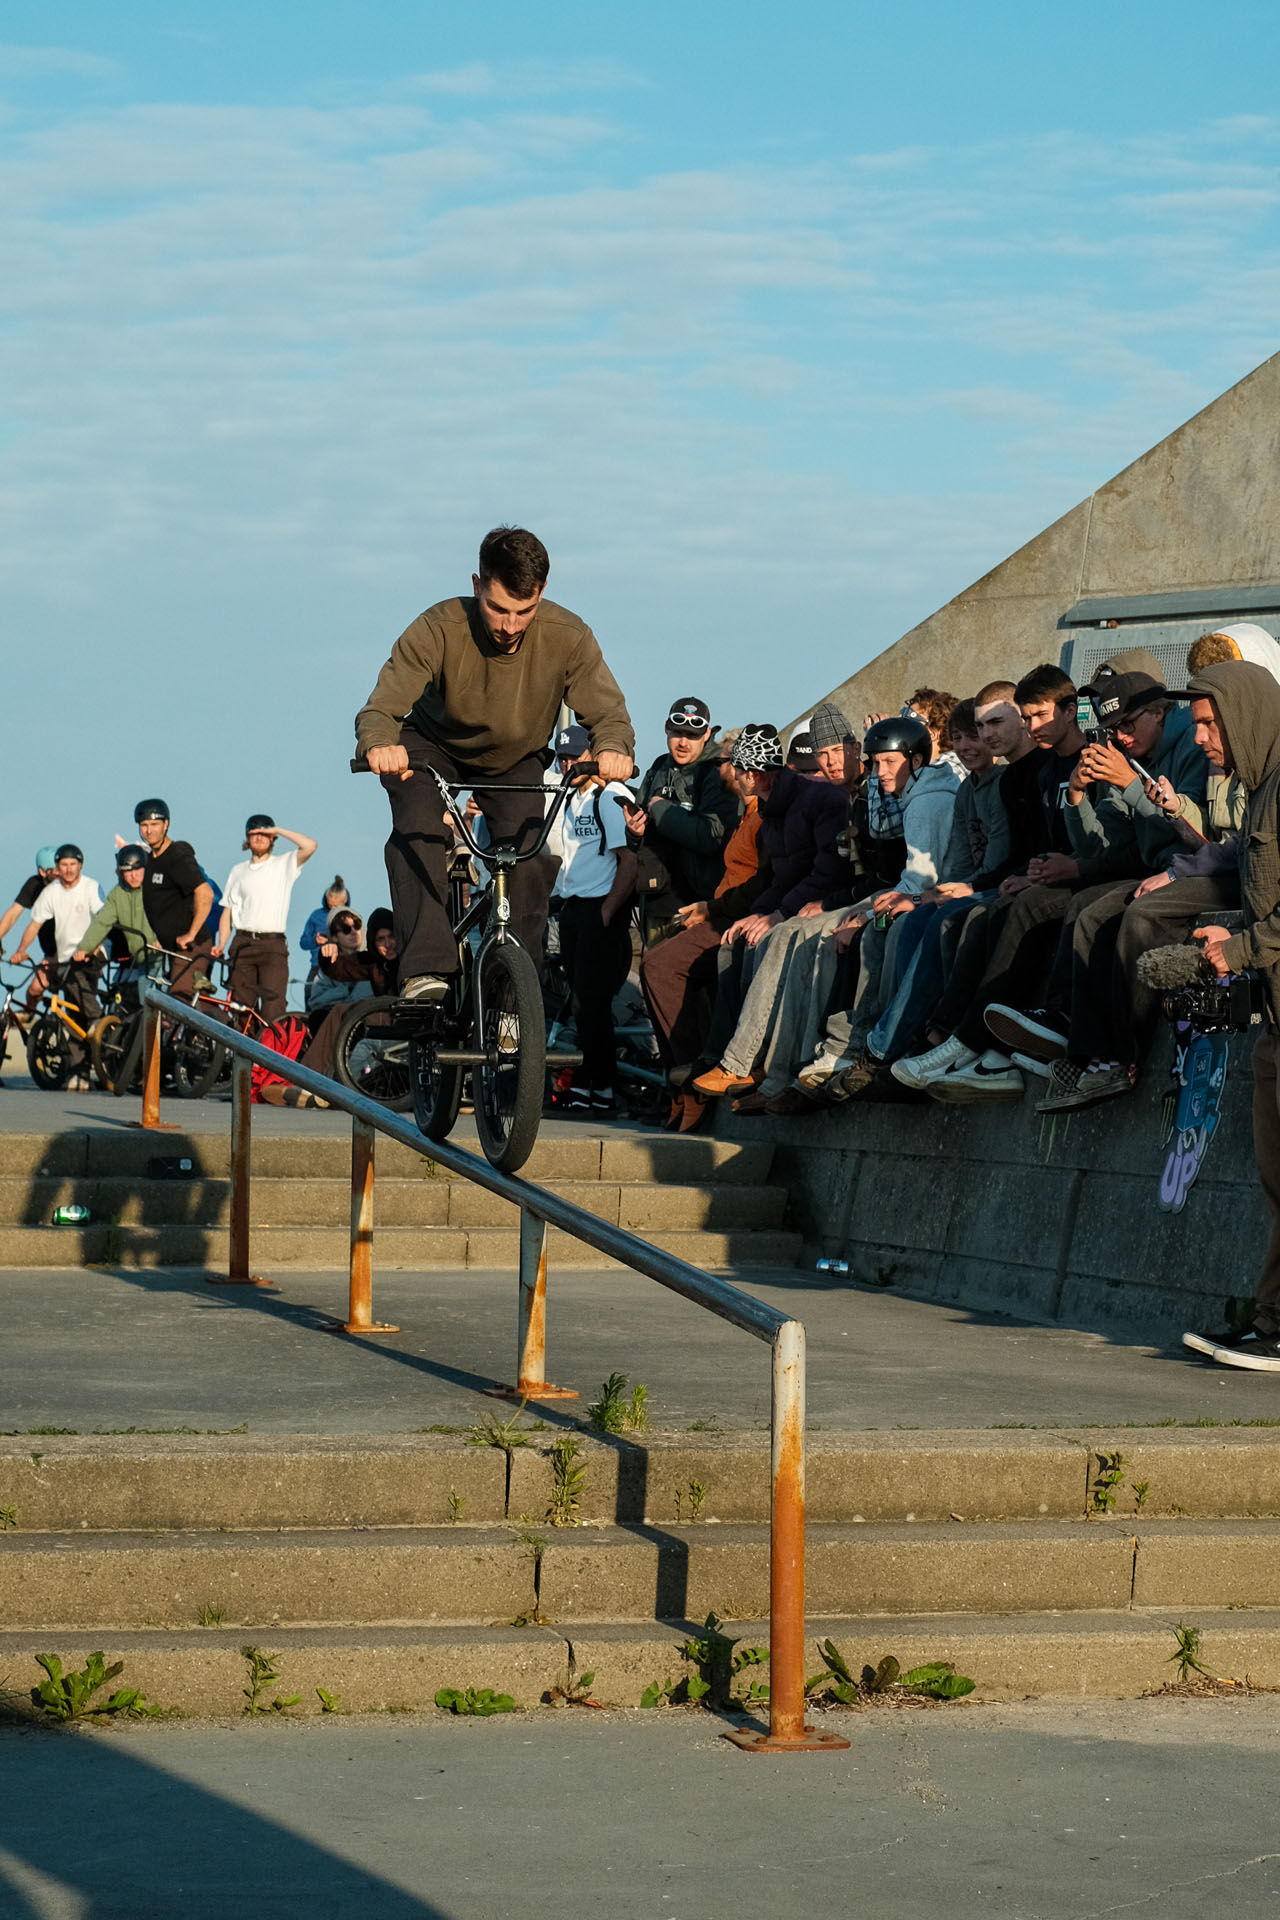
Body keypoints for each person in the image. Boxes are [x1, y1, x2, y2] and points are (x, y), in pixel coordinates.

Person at [355, 526, 634, 1002]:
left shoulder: (569, 637)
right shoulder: (438, 627)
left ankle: (513, 989)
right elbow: (381, 708)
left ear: (541, 595)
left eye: (524, 612)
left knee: (528, 856)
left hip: (514, 756)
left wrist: (614, 748)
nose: (509, 625)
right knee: (417, 829)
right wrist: (380, 743)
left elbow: (608, 713)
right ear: (477, 584)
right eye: (498, 608)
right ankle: (426, 972)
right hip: (431, 746)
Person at [1176, 662, 1280, 1371]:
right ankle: (1271, 1320)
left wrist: (1242, 945)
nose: (1203, 740)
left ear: (1243, 715)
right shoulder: (1260, 791)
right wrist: (1231, 932)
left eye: (1210, 724)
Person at [640, 741, 765, 1131]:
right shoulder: (744, 812)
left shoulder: (762, 814)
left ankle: (694, 1077)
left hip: (740, 918)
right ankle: (680, 1081)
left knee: (661, 966)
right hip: (720, 911)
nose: (720, 771)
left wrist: (712, 909)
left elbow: (761, 881)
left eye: (725, 763)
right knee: (656, 966)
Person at [547, 723, 638, 1116]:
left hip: (600, 910)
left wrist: (606, 910)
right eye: (563, 757)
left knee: (593, 1005)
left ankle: (602, 1088)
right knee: (581, 1004)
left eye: (575, 756)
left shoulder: (609, 795)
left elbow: (629, 860)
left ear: (591, 755)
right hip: (573, 909)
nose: (568, 763)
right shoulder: (569, 798)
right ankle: (588, 1084)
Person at [624, 696, 739, 946]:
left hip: (697, 902)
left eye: (693, 735)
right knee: (653, 973)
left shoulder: (717, 770)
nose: (684, 742)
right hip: (656, 901)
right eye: (678, 733)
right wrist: (634, 832)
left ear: (707, 734)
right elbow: (638, 840)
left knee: (682, 977)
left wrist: (661, 808)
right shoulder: (658, 768)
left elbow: (711, 837)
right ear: (666, 729)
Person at [12, 847, 104, 1081]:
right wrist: (21, 950)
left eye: (73, 864)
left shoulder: (91, 888)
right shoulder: (51, 892)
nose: (68, 870)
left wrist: (91, 947)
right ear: (56, 867)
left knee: (79, 996)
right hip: (65, 958)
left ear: (80, 866)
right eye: (63, 865)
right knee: (71, 1010)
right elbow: (34, 925)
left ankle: (98, 1023)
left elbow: (103, 921)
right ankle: (79, 1069)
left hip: (93, 954)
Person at [213, 816, 317, 1023]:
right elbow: (227, 912)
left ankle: (269, 1053)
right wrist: (222, 944)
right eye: (254, 833)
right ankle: (243, 1054)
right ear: (247, 838)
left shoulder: (283, 864)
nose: (259, 837)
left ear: (272, 838)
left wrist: (277, 829)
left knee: (273, 1009)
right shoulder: (238, 871)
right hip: (242, 943)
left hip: (273, 945)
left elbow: (310, 846)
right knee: (242, 1009)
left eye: (264, 834)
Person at [133, 799, 215, 1000]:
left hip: (191, 947)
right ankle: (223, 1026)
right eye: (144, 825)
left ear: (166, 824)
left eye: (154, 825)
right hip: (172, 949)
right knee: (197, 1005)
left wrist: (191, 934)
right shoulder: (150, 859)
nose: (149, 831)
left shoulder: (177, 854)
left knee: (177, 1001)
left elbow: (206, 893)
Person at [72, 843, 154, 974]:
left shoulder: (156, 888)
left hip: (162, 956)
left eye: (137, 869)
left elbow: (170, 916)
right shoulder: (117, 894)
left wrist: (162, 941)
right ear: (120, 872)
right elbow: (102, 923)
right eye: (128, 871)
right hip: (141, 962)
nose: (133, 875)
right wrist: (85, 948)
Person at [0, 846, 60, 1006]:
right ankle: (30, 1022)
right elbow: (13, 914)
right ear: (42, 872)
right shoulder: (34, 885)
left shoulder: (68, 888)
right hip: (50, 952)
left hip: (70, 951)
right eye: (55, 870)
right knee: (33, 992)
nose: (60, 873)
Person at [301, 876, 349, 979]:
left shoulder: (351, 919)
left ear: (344, 901)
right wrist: (315, 941)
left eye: (336, 906)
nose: (333, 909)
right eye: (330, 905)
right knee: (311, 993)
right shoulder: (316, 916)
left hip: (343, 966)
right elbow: (303, 942)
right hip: (317, 966)